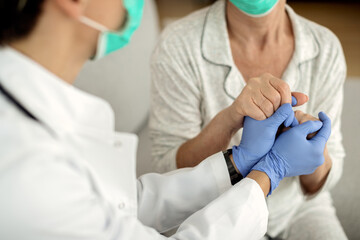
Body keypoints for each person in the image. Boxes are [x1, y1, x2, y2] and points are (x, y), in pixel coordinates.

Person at [0, 0, 333, 239]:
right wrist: (267, 174)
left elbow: (126, 203)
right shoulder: (26, 169)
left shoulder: (36, 113)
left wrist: (238, 162)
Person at [150, 0, 347, 239]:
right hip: (211, 213)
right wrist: (230, 119)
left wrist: (315, 148)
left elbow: (319, 185)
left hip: (296, 210)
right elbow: (167, 171)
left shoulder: (324, 47)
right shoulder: (178, 44)